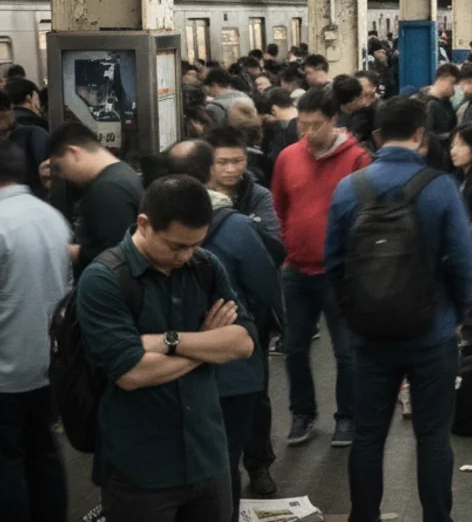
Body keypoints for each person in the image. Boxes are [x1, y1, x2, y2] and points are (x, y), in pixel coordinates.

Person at [325, 97, 472, 522]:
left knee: (369, 437)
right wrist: (458, 314)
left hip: (370, 337)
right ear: (421, 136)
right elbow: (464, 263)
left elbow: (333, 265)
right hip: (433, 333)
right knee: (432, 438)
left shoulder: (349, 188)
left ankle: (365, 516)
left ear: (376, 135)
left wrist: (351, 317)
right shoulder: (441, 187)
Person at [76, 174, 256, 521]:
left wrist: (168, 342)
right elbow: (132, 373)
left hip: (208, 458)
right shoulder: (104, 279)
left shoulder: (204, 265)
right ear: (144, 224)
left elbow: (243, 343)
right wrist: (206, 344)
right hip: (140, 469)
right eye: (175, 245)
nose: (186, 255)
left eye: (194, 244)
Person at [162, 141, 281, 518]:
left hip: (169, 369)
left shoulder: (148, 230)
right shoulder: (237, 227)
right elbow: (266, 288)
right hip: (232, 370)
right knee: (222, 463)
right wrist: (238, 321)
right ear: (209, 171)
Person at [272, 88, 372, 448]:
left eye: (315, 125)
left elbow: (367, 217)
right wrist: (291, 243)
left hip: (340, 274)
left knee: (346, 352)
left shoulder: (358, 160)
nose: (307, 134)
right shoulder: (288, 158)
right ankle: (302, 413)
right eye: (302, 125)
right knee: (295, 347)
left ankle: (347, 416)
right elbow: (280, 206)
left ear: (334, 120)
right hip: (296, 270)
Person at [0, 142, 71, 522]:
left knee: (7, 461)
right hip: (47, 362)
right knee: (43, 448)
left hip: (5, 369)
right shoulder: (51, 216)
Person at [47, 122, 145, 278]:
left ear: (74, 153)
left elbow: (114, 255)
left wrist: (76, 252)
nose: (62, 175)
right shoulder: (122, 173)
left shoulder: (108, 189)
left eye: (59, 167)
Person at [334, 76, 376, 149]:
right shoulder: (330, 114)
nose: (364, 102)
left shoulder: (371, 111)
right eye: (361, 97)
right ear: (352, 101)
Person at [424, 64, 460, 138]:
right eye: (452, 83)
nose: (454, 89)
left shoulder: (446, 102)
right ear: (441, 80)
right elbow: (427, 136)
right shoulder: (431, 105)